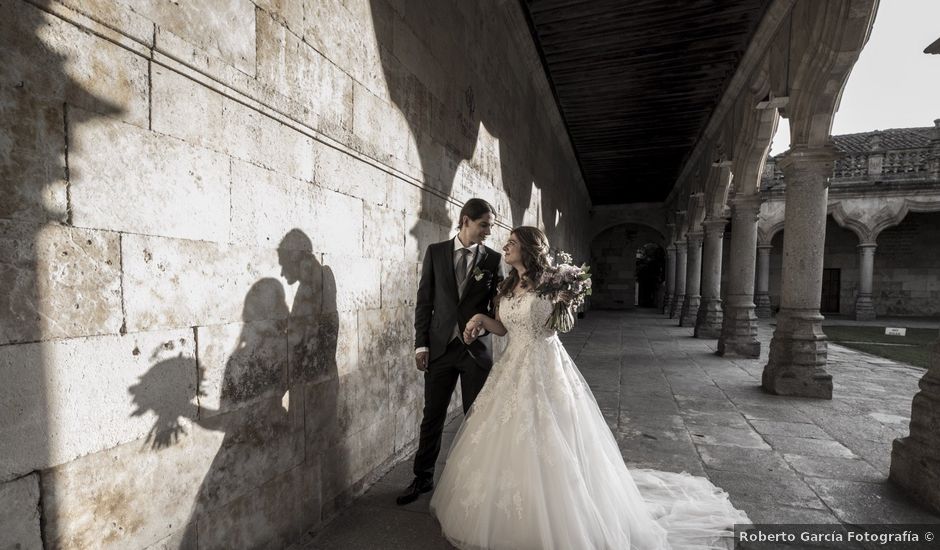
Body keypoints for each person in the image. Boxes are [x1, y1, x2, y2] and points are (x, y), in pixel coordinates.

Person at [430, 226, 750, 550]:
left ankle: (562, 510)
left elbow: (560, 325)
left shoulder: (553, 281)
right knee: (502, 434)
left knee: (553, 436)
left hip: (544, 363)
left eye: (512, 243)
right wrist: (480, 320)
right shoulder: (506, 285)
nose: (506, 246)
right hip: (511, 366)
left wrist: (567, 300)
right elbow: (502, 329)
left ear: (528, 249)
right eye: (507, 242)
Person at [397, 198, 503, 506]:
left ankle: (475, 484)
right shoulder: (436, 252)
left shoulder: (492, 260)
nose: (488, 232)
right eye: (484, 225)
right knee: (432, 416)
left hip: (475, 352)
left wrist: (481, 328)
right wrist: (421, 344)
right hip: (440, 350)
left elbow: (495, 310)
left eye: (491, 227)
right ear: (466, 221)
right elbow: (424, 302)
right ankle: (423, 477)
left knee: (476, 419)